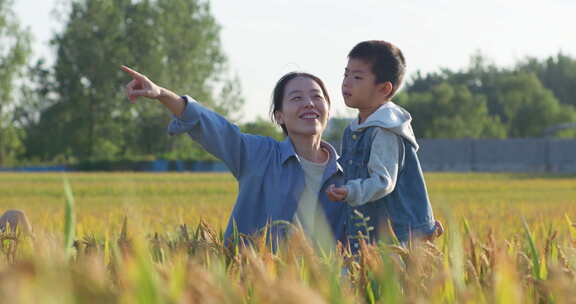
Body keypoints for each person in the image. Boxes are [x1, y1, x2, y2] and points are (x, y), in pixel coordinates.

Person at [121, 66, 347, 249]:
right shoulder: (259, 155)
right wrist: (161, 94)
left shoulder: (348, 173)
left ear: (328, 108)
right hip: (256, 284)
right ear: (279, 116)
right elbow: (211, 124)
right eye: (296, 98)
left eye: (317, 96)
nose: (309, 102)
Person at [326, 40, 443, 250]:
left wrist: (350, 191)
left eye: (357, 77)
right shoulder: (353, 130)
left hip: (396, 238)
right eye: (346, 74)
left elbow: (383, 181)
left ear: (384, 88)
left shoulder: (385, 130)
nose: (347, 82)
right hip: (364, 233)